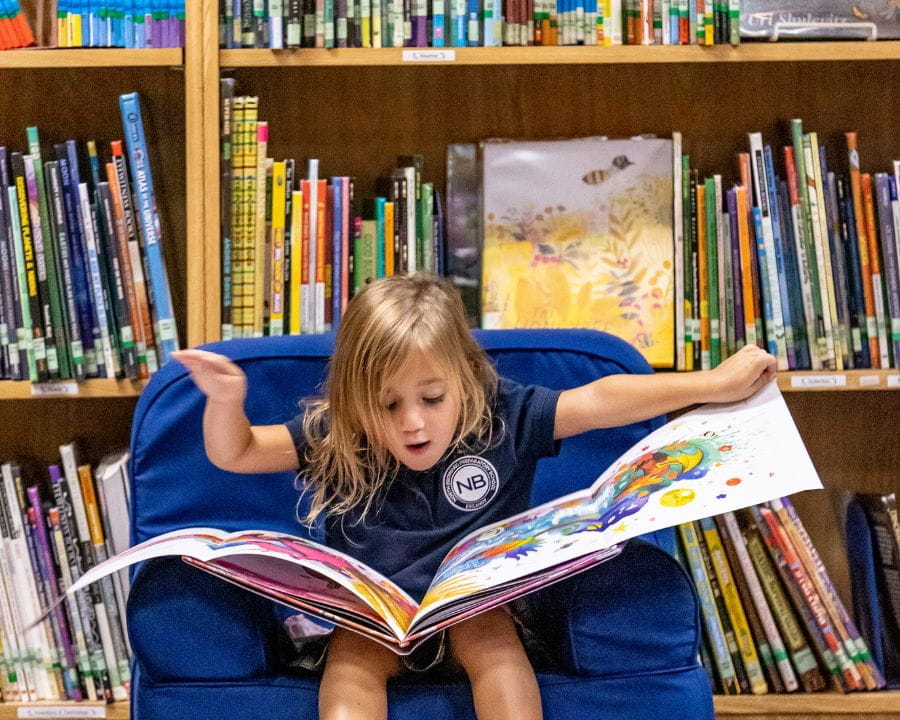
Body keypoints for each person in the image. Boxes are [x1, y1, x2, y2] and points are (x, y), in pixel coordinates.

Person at [173, 273, 776, 720]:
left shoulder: (503, 419)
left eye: (431, 399)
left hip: (476, 606)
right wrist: (225, 401)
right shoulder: (345, 434)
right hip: (373, 617)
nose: (412, 423)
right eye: (387, 404)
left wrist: (711, 384)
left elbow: (599, 400)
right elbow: (238, 453)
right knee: (353, 662)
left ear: (463, 379)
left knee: (489, 639)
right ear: (358, 399)